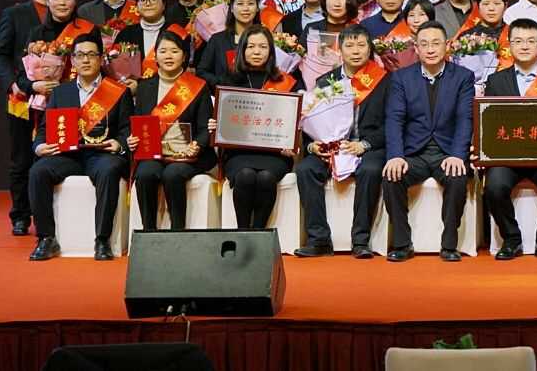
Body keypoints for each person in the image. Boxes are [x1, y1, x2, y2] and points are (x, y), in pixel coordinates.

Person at [26, 33, 131, 261]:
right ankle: (46, 238)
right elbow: (44, 128)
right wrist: (39, 146)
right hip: (68, 156)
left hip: (101, 155)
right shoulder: (60, 92)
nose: (85, 60)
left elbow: (126, 129)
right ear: (72, 60)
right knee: (38, 171)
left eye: (91, 55)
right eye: (80, 55)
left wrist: (119, 143)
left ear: (101, 59)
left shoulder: (118, 92)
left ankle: (102, 240)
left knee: (110, 169)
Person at [382, 22, 476, 262]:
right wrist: (396, 155)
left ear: (447, 45)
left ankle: (449, 245)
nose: (430, 49)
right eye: (424, 44)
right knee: (392, 176)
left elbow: (465, 119)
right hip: (414, 153)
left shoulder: (463, 77)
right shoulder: (401, 78)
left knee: (457, 176)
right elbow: (394, 119)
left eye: (436, 43)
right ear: (416, 48)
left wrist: (458, 155)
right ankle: (402, 244)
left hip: (447, 151)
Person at [294, 26, 389, 258]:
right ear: (340, 49)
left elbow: (393, 124)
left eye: (361, 45)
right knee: (306, 169)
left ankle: (361, 241)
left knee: (370, 170)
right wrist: (312, 146)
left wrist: (363, 145)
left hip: (367, 147)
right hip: (332, 148)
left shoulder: (385, 81)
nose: (356, 51)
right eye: (349, 45)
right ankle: (318, 240)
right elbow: (310, 119)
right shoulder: (325, 81)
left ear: (370, 48)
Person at [481, 18, 537, 260]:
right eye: (518, 41)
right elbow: (489, 123)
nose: (524, 46)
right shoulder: (496, 81)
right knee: (494, 186)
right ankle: (511, 239)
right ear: (509, 45)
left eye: (531, 41)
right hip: (507, 157)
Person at [0, 0, 62, 236]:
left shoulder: (65, 17)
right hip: (22, 97)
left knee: (52, 155)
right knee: (21, 157)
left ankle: (51, 215)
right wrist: (12, 84)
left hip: (55, 97)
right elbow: (1, 54)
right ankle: (20, 215)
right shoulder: (15, 14)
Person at [212, 25, 302, 229]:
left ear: (271, 51)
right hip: (237, 153)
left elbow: (295, 122)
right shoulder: (229, 80)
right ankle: (244, 232)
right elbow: (223, 119)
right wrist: (215, 124)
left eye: (262, 47)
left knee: (266, 178)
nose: (256, 51)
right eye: (251, 46)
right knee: (245, 175)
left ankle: (259, 232)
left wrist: (291, 141)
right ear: (242, 50)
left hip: (275, 154)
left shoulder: (285, 81)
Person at [129, 29, 215, 232]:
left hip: (189, 155)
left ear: (184, 56)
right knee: (145, 173)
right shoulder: (144, 87)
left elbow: (206, 128)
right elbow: (138, 124)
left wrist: (197, 145)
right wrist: (132, 139)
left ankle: (177, 231)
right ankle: (148, 232)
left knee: (173, 174)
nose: (168, 56)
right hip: (155, 153)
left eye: (174, 51)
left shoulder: (198, 86)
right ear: (155, 56)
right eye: (163, 51)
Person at [113, 0, 172, 93]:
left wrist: (141, 87)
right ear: (137, 6)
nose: (148, 3)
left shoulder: (175, 32)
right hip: (133, 95)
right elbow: (118, 67)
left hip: (167, 92)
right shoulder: (126, 34)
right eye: (143, 0)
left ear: (164, 4)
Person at [195, 0, 259, 81]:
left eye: (250, 4)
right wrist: (221, 82)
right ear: (232, 8)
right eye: (240, 4)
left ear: (257, 7)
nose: (245, 8)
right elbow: (201, 72)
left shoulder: (266, 39)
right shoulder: (217, 40)